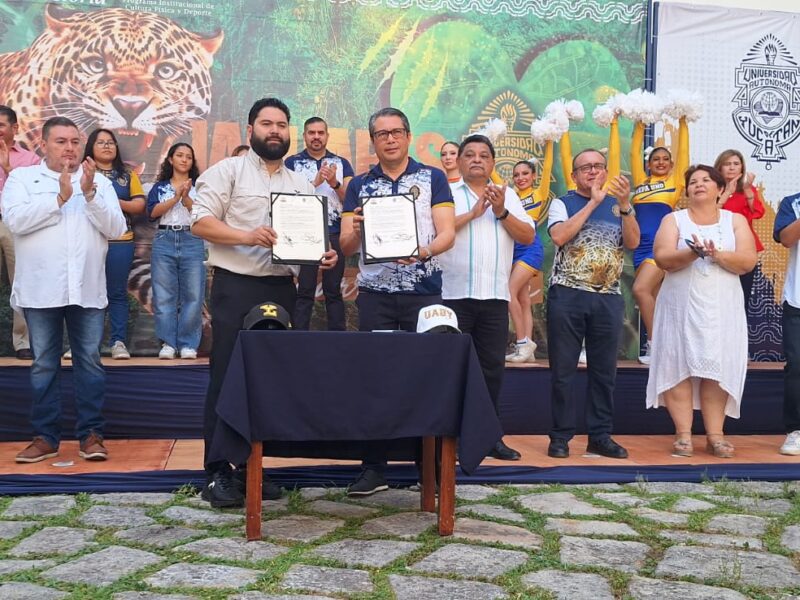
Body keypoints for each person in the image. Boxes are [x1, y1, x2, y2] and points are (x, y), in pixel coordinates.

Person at [192, 97, 338, 507]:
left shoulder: (300, 184)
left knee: (269, 382)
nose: (274, 131)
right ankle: (218, 470)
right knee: (225, 375)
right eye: (266, 124)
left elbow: (309, 245)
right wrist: (247, 234)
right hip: (236, 286)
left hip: (280, 291)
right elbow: (200, 222)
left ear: (289, 132)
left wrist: (322, 256)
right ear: (251, 129)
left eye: (281, 125)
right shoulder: (229, 172)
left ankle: (253, 467)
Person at [340, 106, 455, 495]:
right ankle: (374, 468)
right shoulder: (358, 185)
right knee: (375, 380)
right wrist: (355, 230)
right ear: (373, 141)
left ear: (407, 136)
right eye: (381, 134)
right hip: (376, 295)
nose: (389, 139)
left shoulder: (433, 178)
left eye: (396, 132)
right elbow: (344, 245)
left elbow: (447, 234)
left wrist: (422, 252)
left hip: (424, 293)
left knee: (427, 379)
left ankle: (432, 468)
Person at [1, 116, 125, 462]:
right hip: (41, 290)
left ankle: (91, 435)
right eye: (60, 141)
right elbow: (14, 220)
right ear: (44, 144)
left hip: (86, 289)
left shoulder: (97, 181)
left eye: (74, 141)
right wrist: (59, 198)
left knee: (89, 362)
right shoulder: (23, 179)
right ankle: (45, 437)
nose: (69, 147)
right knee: (43, 364)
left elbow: (116, 227)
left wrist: (88, 195)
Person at [646, 165, 756, 458]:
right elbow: (662, 258)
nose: (699, 185)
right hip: (680, 305)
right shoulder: (674, 220)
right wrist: (691, 253)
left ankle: (715, 436)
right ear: (686, 191)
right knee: (678, 364)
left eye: (706, 180)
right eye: (692, 181)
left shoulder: (736, 221)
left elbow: (747, 261)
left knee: (715, 368)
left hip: (722, 307)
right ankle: (683, 435)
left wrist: (717, 255)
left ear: (720, 189)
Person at [440, 134, 535, 460]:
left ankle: (490, 437)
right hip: (453, 296)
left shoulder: (507, 197)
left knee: (491, 370)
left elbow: (529, 234)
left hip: (494, 297)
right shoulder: (447, 194)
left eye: (483, 155)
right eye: (470, 154)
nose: (477, 159)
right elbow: (436, 232)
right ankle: (449, 440)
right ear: (459, 161)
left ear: (493, 163)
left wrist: (501, 211)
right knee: (451, 371)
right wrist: (475, 212)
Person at [546, 149, 638, 459]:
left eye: (598, 166)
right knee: (563, 371)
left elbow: (634, 243)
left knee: (604, 372)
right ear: (574, 176)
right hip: (567, 296)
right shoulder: (563, 203)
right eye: (585, 167)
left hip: (608, 298)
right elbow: (560, 236)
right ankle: (560, 437)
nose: (592, 171)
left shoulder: (618, 206)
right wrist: (593, 203)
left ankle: (600, 435)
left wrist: (624, 206)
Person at [629, 117, 689, 365]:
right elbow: (633, 152)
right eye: (656, 159)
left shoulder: (675, 183)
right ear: (648, 164)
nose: (661, 162)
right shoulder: (641, 182)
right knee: (653, 296)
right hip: (638, 248)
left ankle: (657, 345)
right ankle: (669, 349)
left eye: (665, 159)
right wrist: (640, 123)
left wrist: (683, 121)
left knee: (640, 290)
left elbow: (684, 152)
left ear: (672, 164)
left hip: (660, 246)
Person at [285, 117, 354, 331]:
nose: (316, 137)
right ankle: (298, 339)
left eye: (320, 133)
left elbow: (349, 201)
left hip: (335, 232)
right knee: (304, 289)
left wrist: (334, 182)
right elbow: (286, 201)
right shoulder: (292, 163)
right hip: (304, 232)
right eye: (311, 133)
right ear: (304, 136)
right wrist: (314, 183)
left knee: (333, 290)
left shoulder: (342, 163)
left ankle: (338, 340)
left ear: (327, 136)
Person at [83, 128, 145, 360]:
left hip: (120, 241)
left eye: (111, 142)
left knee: (117, 292)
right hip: (88, 240)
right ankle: (85, 344)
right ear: (91, 147)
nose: (107, 146)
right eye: (101, 142)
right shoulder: (82, 172)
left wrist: (109, 199)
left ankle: (118, 342)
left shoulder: (127, 175)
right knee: (87, 292)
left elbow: (139, 206)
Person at [146, 143, 205, 360]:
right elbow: (152, 212)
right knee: (163, 295)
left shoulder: (201, 187)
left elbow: (202, 214)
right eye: (179, 155)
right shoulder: (160, 187)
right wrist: (175, 198)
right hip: (164, 238)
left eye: (188, 157)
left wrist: (187, 197)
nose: (184, 160)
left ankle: (188, 343)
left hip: (192, 238)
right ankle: (168, 343)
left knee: (193, 294)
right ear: (170, 159)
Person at [505, 147, 553, 363]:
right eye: (516, 175)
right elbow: (492, 176)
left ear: (534, 176)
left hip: (531, 248)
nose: (521, 178)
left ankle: (523, 342)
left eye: (525, 173)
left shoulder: (539, 193)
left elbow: (549, 164)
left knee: (509, 292)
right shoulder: (510, 195)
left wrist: (550, 141)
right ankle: (528, 350)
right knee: (523, 299)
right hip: (513, 250)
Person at [0, 105, 39, 360]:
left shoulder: (30, 160)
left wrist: (7, 168)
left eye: (1, 125)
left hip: (14, 223)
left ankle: (22, 341)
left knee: (20, 283)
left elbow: (33, 194)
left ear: (15, 128)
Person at [714, 149, 765, 308]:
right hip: (718, 247)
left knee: (742, 298)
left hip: (744, 248)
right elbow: (709, 213)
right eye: (727, 164)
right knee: (718, 297)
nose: (731, 167)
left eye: (736, 164)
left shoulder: (748, 190)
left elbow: (757, 212)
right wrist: (727, 192)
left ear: (742, 168)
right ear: (719, 167)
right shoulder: (711, 188)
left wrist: (748, 189)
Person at [773, 191, 800, 455]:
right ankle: (795, 430)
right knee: (798, 367)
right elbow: (786, 238)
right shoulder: (793, 202)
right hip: (798, 299)